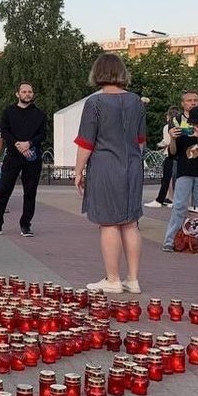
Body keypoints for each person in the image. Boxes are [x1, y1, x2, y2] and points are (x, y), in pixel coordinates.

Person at [74, 52, 147, 294]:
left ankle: (113, 279)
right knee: (130, 222)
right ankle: (133, 279)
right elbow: (140, 141)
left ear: (98, 73)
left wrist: (78, 171)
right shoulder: (136, 101)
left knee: (108, 223)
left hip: (106, 165)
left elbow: (86, 142)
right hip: (133, 166)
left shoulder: (94, 103)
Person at [0, 83, 46, 237]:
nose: (27, 94)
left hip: (32, 157)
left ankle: (26, 225)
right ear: (17, 94)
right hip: (13, 156)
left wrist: (29, 143)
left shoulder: (40, 114)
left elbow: (42, 134)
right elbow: (4, 131)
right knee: (4, 190)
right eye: (24, 91)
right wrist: (17, 144)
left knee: (30, 192)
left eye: (30, 92)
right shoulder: (9, 112)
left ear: (33, 94)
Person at [162, 106, 198, 251]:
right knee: (179, 205)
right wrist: (173, 139)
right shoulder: (183, 133)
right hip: (185, 172)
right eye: (193, 123)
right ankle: (170, 240)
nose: (196, 126)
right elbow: (173, 153)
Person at [147, 93, 198, 207]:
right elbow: (172, 145)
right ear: (183, 103)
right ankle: (171, 202)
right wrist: (173, 139)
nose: (193, 103)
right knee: (176, 187)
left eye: (195, 100)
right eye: (189, 100)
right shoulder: (175, 121)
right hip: (179, 159)